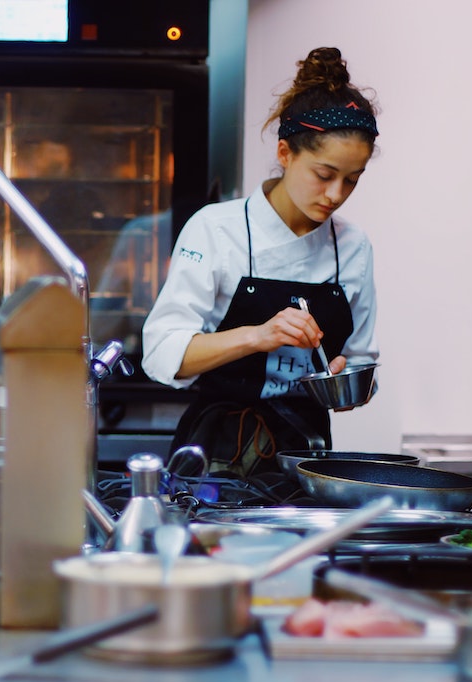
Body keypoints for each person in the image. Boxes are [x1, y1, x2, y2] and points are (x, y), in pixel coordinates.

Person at [142, 47, 380, 478]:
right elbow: (161, 354)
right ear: (286, 153)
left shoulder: (353, 246)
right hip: (213, 458)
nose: (335, 195)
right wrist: (257, 336)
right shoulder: (217, 229)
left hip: (307, 459)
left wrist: (346, 385)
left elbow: (361, 363)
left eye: (352, 180)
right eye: (324, 175)